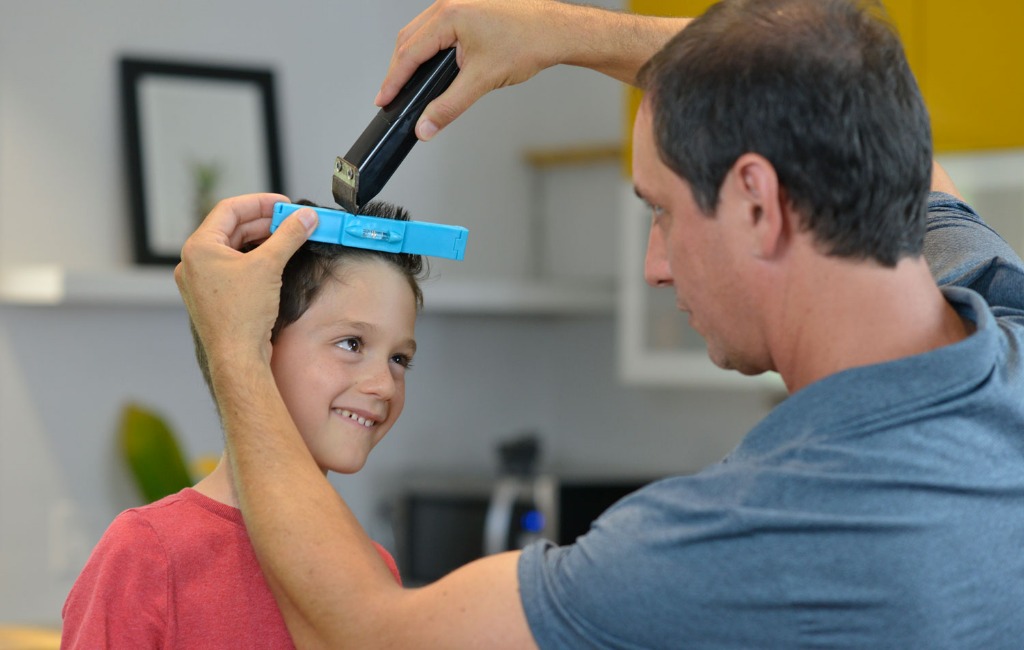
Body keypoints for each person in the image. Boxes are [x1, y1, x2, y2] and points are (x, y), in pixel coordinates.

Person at [175, 0, 1024, 647]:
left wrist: (235, 347)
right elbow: (854, 113)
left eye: (661, 213)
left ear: (760, 205)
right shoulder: (998, 309)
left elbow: (365, 632)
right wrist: (559, 34)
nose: (654, 266)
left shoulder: (767, 534)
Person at [61, 199, 426, 648]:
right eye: (351, 343)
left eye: (399, 359)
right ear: (258, 336)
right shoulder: (149, 552)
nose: (384, 385)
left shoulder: (370, 570)